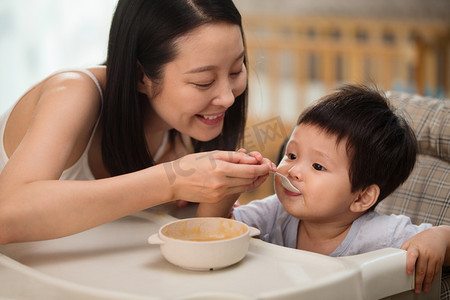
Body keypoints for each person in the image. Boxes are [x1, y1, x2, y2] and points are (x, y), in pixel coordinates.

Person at [0, 0, 276, 244]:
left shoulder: (180, 138)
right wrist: (171, 180)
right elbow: (6, 215)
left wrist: (221, 195)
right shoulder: (73, 94)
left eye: (236, 70)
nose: (228, 98)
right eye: (203, 82)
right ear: (139, 76)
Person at [197, 84, 450, 294]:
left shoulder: (382, 236)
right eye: (292, 154)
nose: (293, 170)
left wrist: (439, 237)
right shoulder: (275, 213)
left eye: (318, 166)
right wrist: (228, 190)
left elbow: (435, 247)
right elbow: (210, 233)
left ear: (361, 197)